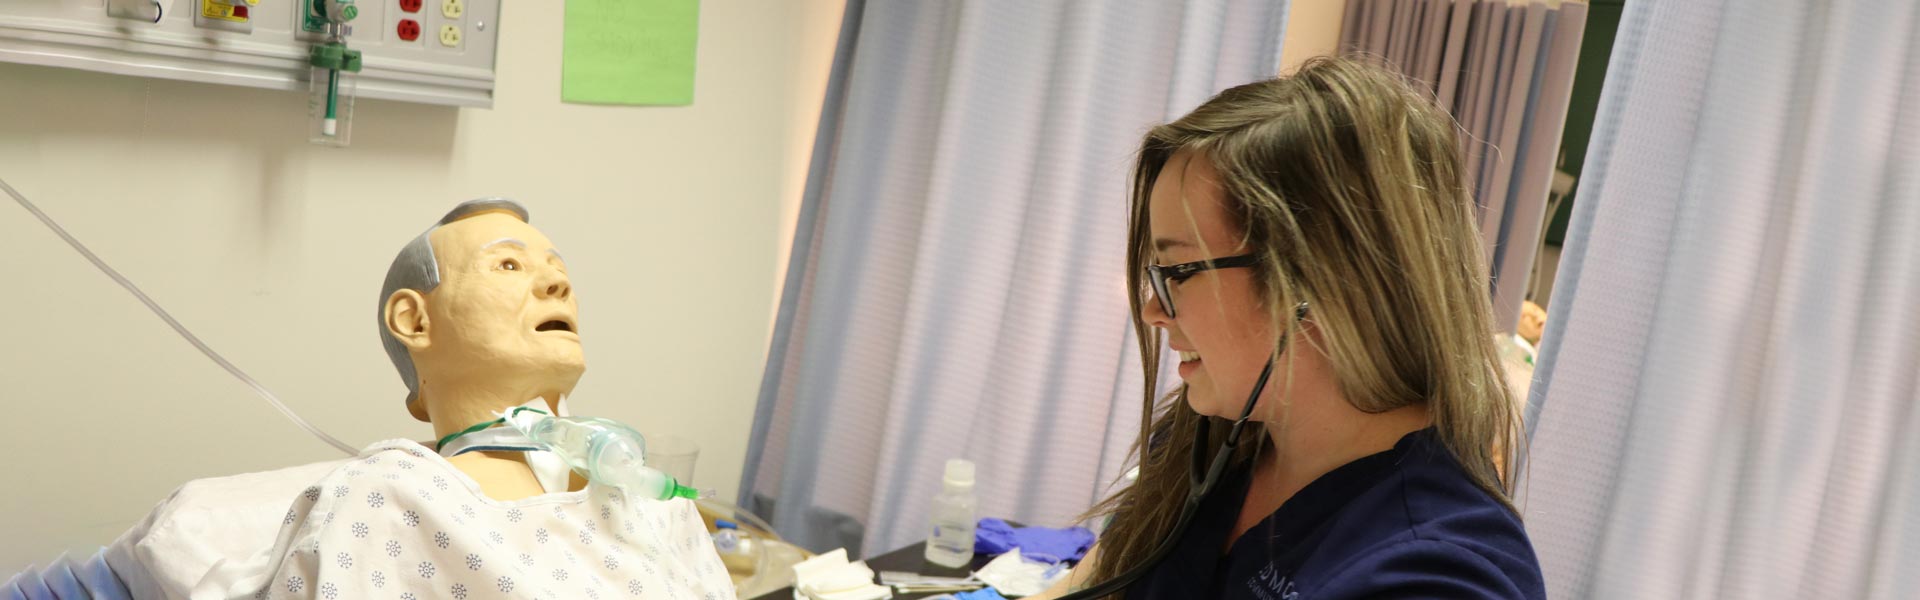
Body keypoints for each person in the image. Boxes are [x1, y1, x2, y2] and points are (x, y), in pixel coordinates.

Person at [1037, 57, 1544, 599]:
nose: (1152, 311)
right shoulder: (1209, 435)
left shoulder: (1435, 575)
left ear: (1320, 281)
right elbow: (1091, 581)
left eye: (1178, 272)